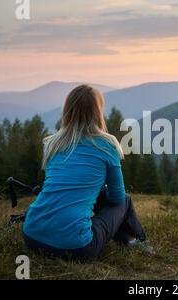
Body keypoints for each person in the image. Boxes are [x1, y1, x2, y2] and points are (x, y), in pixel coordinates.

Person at [22, 84, 152, 262]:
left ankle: (129, 240)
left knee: (98, 196)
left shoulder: (52, 144)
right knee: (125, 200)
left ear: (67, 110)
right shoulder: (107, 145)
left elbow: (57, 187)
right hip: (76, 248)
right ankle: (139, 242)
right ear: (97, 112)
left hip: (32, 236)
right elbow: (116, 198)